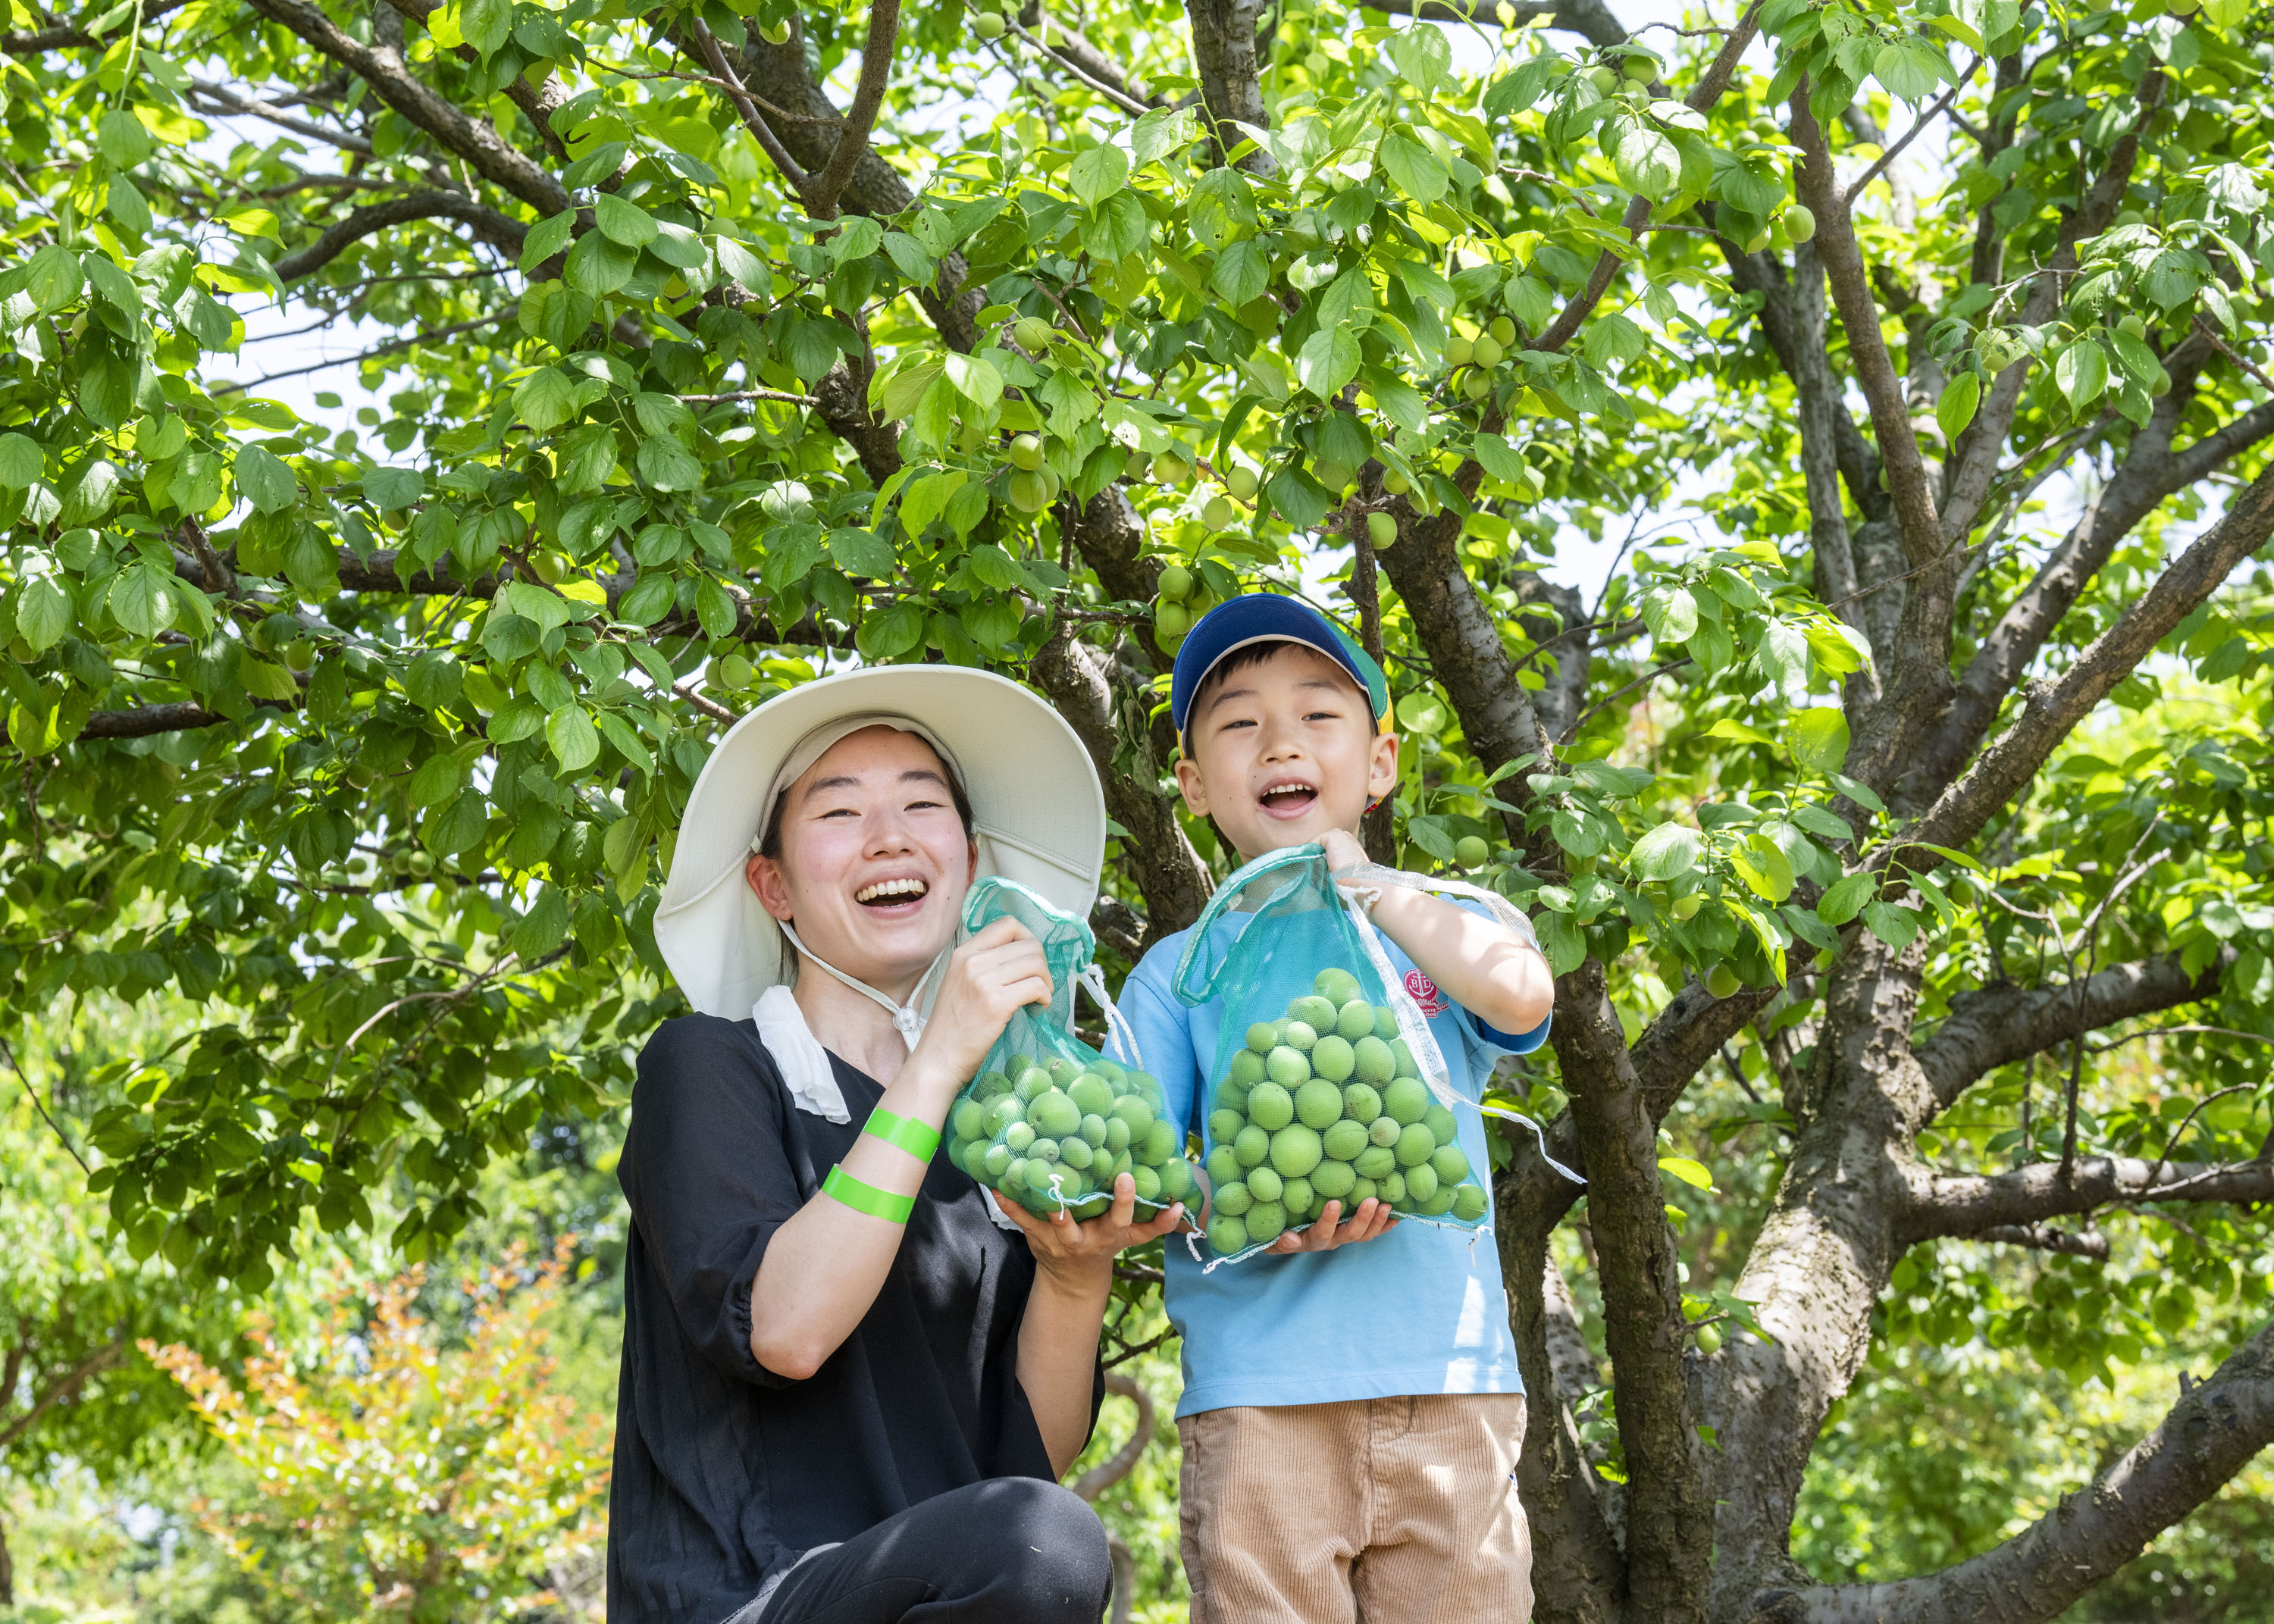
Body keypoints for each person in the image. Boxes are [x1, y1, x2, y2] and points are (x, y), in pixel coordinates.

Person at [611, 665, 1185, 1624]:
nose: (889, 835)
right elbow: (787, 1332)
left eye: (922, 804)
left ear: (969, 862)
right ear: (773, 885)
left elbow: (1029, 1461)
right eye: (839, 812)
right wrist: (942, 1055)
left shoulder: (1000, 1131)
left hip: (942, 1588)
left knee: (1042, 1537)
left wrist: (1075, 1274)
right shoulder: (710, 1067)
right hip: (756, 1600)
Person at [1118, 594, 1556, 1624]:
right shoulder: (1182, 969)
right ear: (1193, 784)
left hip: (1452, 1385)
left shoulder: (1440, 921)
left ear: (1380, 763)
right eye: (1238, 722)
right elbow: (1129, 1173)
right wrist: (1237, 1206)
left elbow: (1522, 994)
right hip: (1260, 1394)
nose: (1281, 740)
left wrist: (1374, 889)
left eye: (1319, 714)